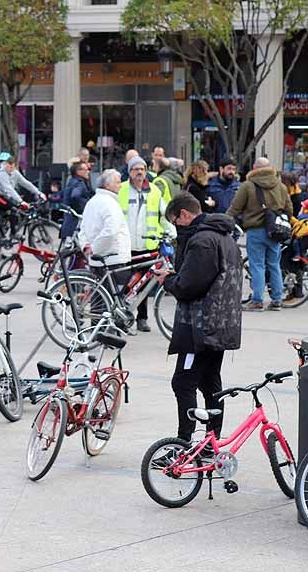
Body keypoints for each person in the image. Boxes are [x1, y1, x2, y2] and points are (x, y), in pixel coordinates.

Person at [156, 191, 242, 447]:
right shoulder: (224, 237)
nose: (176, 230)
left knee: (183, 382)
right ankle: (210, 443)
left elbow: (188, 286)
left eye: (175, 222)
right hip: (221, 324)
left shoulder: (202, 241)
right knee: (210, 384)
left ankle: (184, 445)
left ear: (184, 214)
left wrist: (168, 280)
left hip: (201, 328)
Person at [226, 157, 292, 311]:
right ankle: (277, 300)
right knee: (274, 265)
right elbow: (289, 209)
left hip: (255, 231)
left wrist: (223, 221)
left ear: (255, 168)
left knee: (257, 266)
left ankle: (257, 301)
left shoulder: (248, 186)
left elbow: (235, 208)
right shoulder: (281, 186)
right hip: (275, 232)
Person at [117, 156, 167, 331]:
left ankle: (142, 318)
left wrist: (171, 231)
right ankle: (121, 315)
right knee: (126, 283)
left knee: (143, 284)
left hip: (147, 245)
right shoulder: (121, 189)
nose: (139, 172)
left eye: (142, 169)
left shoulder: (154, 191)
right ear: (130, 172)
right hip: (125, 245)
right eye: (135, 169)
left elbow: (165, 214)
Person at [0, 155, 46, 248]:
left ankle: (9, 232)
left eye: (13, 167)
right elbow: (9, 189)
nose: (11, 169)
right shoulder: (2, 174)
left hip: (3, 196)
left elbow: (26, 183)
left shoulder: (15, 172)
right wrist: (21, 202)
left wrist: (38, 193)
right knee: (13, 208)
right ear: (4, 165)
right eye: (9, 167)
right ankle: (9, 235)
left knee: (13, 211)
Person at [78, 169, 131, 267]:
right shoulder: (110, 203)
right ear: (107, 185)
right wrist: (94, 248)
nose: (121, 185)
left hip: (95, 260)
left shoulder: (91, 202)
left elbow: (83, 228)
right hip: (113, 259)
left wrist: (85, 246)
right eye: (118, 182)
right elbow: (111, 231)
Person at [60, 161, 94, 240]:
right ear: (78, 172)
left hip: (69, 217)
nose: (88, 172)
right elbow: (75, 196)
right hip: (74, 218)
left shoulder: (73, 180)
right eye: (86, 170)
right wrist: (87, 206)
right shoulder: (78, 183)